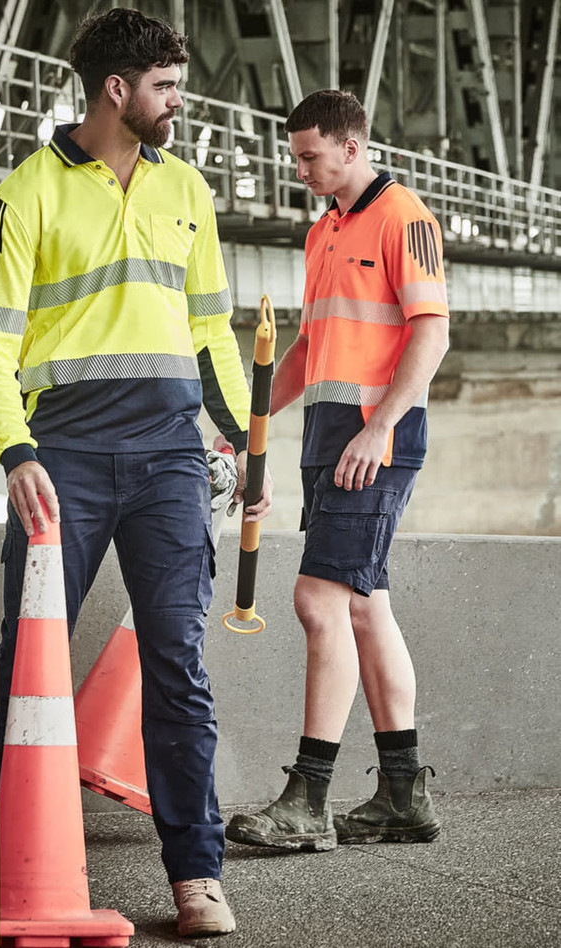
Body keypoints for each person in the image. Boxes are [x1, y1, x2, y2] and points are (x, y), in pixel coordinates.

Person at [0, 7, 271, 936]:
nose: (179, 101)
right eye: (165, 86)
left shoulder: (187, 188)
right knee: (17, 664)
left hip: (169, 458)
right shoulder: (23, 195)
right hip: (65, 460)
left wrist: (247, 444)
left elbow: (212, 332)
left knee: (179, 667)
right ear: (116, 90)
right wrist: (17, 453)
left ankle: (196, 875)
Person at [226, 90, 449, 852]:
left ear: (351, 147)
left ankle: (309, 798)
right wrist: (245, 428)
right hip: (328, 440)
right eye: (296, 157)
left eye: (309, 156)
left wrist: (378, 427)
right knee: (364, 607)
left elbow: (432, 334)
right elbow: (306, 350)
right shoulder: (322, 231)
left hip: (375, 441)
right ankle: (403, 795)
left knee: (318, 599)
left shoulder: (405, 218)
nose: (301, 169)